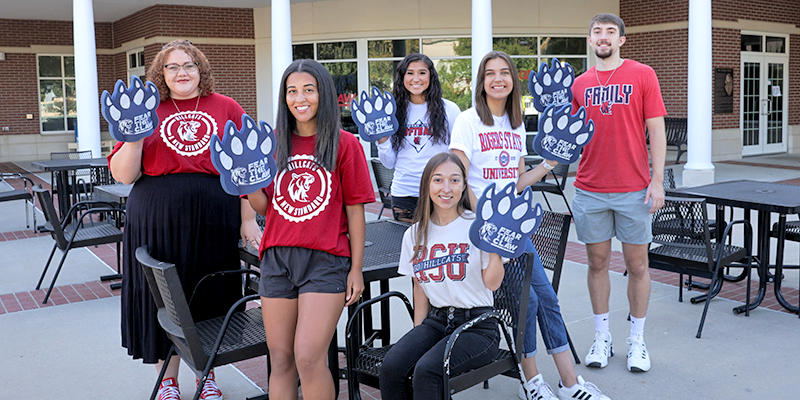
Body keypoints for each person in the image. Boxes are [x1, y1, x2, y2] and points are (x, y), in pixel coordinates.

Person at [451, 51, 610, 400]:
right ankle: (533, 382)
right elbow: (458, 178)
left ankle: (570, 385)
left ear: (512, 80)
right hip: (486, 233)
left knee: (546, 300)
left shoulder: (516, 123)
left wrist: (549, 164)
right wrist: (489, 221)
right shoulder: (467, 121)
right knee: (530, 304)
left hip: (515, 229)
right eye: (490, 73)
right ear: (482, 81)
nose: (497, 79)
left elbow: (518, 181)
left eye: (504, 72)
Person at [109, 39, 263, 400]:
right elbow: (123, 175)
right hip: (156, 214)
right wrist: (134, 137)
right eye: (173, 67)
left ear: (201, 70)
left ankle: (206, 375)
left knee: (208, 292)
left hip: (215, 214)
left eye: (189, 65)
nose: (182, 73)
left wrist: (247, 219)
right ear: (161, 74)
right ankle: (167, 379)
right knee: (164, 297)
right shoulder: (148, 109)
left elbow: (245, 167)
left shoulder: (226, 106)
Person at [245, 59, 374, 400]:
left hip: (325, 261)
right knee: (282, 359)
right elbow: (264, 207)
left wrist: (356, 269)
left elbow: (355, 210)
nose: (299, 98)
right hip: (276, 260)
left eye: (308, 90)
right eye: (292, 91)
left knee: (308, 356)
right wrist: (249, 183)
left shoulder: (345, 144)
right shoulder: (271, 143)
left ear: (323, 95)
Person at [570, 13, 666, 373]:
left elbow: (656, 131)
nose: (604, 37)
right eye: (597, 31)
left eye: (611, 32)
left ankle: (637, 340)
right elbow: (570, 136)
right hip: (590, 189)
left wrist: (656, 181)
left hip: (634, 189)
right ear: (591, 40)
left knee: (637, 265)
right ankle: (602, 337)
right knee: (596, 264)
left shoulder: (643, 74)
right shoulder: (580, 84)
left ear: (621, 40)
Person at [379, 152, 504, 400]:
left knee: (428, 371)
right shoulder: (415, 233)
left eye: (454, 180)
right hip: (436, 321)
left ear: (464, 185)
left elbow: (493, 282)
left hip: (477, 327)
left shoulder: (478, 226)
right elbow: (419, 287)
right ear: (427, 185)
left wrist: (495, 251)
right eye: (438, 180)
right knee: (392, 368)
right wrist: (418, 335)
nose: (446, 188)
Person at [376, 53, 462, 222]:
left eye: (422, 72)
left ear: (431, 76)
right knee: (409, 247)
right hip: (404, 193)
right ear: (402, 77)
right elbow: (389, 163)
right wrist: (382, 140)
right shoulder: (390, 112)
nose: (416, 78)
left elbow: (458, 157)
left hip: (441, 193)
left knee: (439, 245)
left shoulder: (450, 110)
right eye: (410, 73)